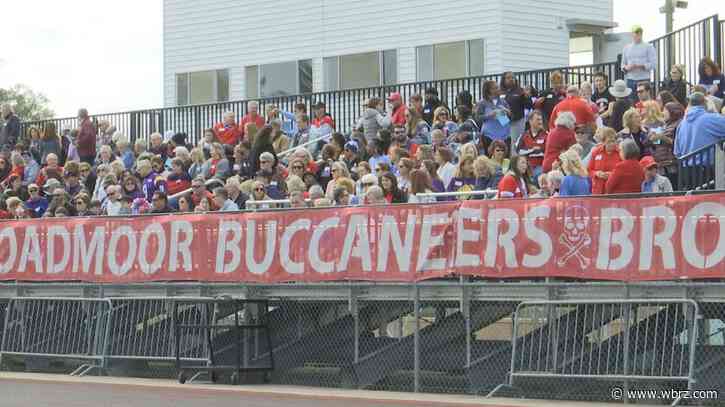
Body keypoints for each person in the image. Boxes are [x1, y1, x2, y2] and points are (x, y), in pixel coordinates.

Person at [674, 92, 725, 159]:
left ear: (689, 104)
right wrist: (714, 110)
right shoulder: (712, 119)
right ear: (705, 102)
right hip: (708, 167)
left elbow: (677, 152)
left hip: (685, 167)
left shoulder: (681, 124)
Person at [651, 102, 683, 188]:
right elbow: (660, 143)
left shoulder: (679, 124)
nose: (662, 113)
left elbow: (678, 143)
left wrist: (662, 137)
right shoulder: (665, 125)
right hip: (662, 165)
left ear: (673, 112)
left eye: (665, 110)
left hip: (671, 164)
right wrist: (654, 139)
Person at [621, 25, 656, 96]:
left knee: (645, 101)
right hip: (630, 79)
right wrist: (627, 68)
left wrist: (640, 66)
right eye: (635, 33)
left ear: (641, 34)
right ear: (631, 34)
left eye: (639, 33)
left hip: (644, 79)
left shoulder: (649, 47)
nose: (637, 35)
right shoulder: (626, 48)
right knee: (631, 101)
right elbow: (622, 65)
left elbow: (653, 64)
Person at [500, 71, 532, 144]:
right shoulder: (500, 91)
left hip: (517, 120)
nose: (511, 79)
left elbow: (528, 106)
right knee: (504, 141)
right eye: (508, 78)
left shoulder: (520, 90)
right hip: (502, 119)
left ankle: (515, 155)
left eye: (513, 77)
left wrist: (527, 97)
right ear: (503, 80)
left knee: (516, 142)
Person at [477, 80, 511, 147]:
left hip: (505, 136)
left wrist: (507, 112)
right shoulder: (482, 103)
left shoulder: (503, 102)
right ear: (489, 90)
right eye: (495, 88)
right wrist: (490, 115)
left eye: (498, 87)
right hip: (489, 136)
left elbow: (507, 119)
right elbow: (478, 118)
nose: (498, 89)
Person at [587, 127, 621, 195]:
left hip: (614, 190)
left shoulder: (620, 153)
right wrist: (597, 173)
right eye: (609, 142)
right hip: (598, 190)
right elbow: (589, 170)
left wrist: (612, 174)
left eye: (613, 141)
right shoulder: (596, 152)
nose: (612, 144)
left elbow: (623, 171)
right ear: (603, 142)